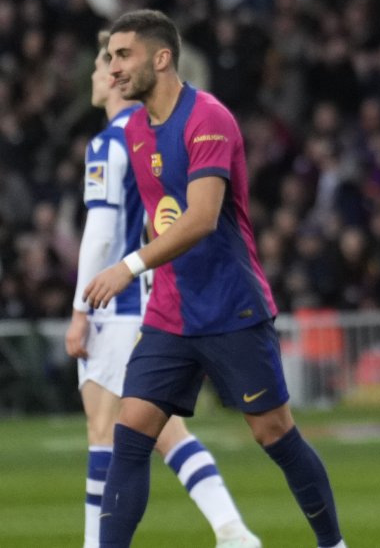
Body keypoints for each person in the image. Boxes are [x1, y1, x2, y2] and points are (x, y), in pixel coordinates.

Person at [82, 10, 346, 548]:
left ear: (162, 58)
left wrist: (128, 267)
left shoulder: (208, 118)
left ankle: (333, 545)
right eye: (109, 58)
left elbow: (200, 219)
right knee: (130, 434)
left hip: (231, 305)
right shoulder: (133, 129)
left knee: (273, 433)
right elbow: (161, 217)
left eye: (122, 55)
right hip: (170, 313)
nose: (112, 68)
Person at [65, 31, 261, 548]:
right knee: (162, 433)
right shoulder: (155, 132)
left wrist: (80, 307)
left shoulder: (111, 142)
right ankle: (232, 530)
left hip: (118, 303)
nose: (92, 77)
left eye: (99, 68)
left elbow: (102, 230)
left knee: (106, 432)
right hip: (159, 297)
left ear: (112, 78)